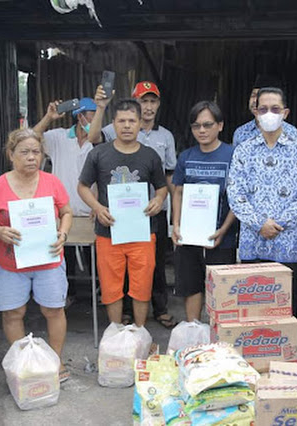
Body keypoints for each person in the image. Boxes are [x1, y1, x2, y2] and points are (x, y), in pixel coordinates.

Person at [89, 81, 177, 328]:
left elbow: (167, 177)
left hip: (147, 214)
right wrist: (100, 107)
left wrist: (164, 202)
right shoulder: (114, 129)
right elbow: (93, 138)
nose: (148, 106)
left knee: (151, 267)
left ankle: (156, 312)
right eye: (143, 101)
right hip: (114, 218)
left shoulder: (164, 137)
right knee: (117, 274)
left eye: (152, 101)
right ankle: (122, 319)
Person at [228, 87, 297, 318]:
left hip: (287, 243)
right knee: (252, 310)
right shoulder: (243, 151)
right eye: (264, 109)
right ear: (255, 112)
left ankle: (283, 355)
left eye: (275, 109)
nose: (269, 114)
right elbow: (235, 192)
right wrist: (260, 223)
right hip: (252, 242)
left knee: (284, 311)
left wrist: (278, 224)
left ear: (285, 113)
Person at [0, 128, 73, 382]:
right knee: (13, 313)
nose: (31, 157)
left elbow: (66, 212)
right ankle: (23, 365)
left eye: (36, 152)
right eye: (24, 152)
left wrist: (62, 234)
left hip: (48, 260)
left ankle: (56, 361)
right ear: (11, 154)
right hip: (10, 263)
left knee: (53, 310)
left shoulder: (52, 182)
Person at [171, 101, 237, 321]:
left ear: (220, 125)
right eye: (196, 126)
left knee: (221, 289)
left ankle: (219, 337)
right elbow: (178, 192)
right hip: (189, 236)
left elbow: (238, 198)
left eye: (208, 125)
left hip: (220, 237)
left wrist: (224, 229)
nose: (202, 130)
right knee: (191, 286)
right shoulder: (186, 157)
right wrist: (176, 225)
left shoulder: (233, 155)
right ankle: (193, 331)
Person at [33, 97, 97, 308]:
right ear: (80, 117)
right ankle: (69, 293)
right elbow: (31, 137)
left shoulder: (99, 140)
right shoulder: (59, 137)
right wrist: (48, 117)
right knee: (64, 253)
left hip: (91, 210)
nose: (96, 118)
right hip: (63, 211)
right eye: (92, 114)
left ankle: (97, 292)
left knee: (94, 255)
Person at [232, 74, 297, 148]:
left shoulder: (291, 132)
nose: (256, 100)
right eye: (254, 95)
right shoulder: (241, 132)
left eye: (261, 97)